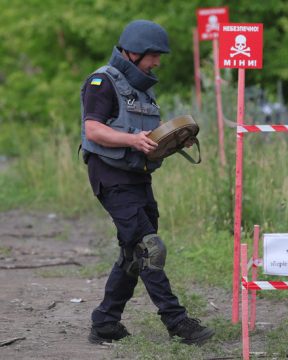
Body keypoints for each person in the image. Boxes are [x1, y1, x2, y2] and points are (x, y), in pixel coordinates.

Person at [80, 19, 214, 346]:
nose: (157, 62)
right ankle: (178, 322)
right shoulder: (102, 82)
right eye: (154, 55)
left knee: (133, 253)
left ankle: (105, 322)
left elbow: (147, 140)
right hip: (110, 176)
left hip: (138, 178)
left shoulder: (143, 91)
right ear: (133, 52)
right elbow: (93, 130)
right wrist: (132, 140)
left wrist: (173, 142)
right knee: (150, 248)